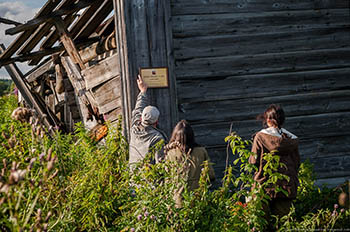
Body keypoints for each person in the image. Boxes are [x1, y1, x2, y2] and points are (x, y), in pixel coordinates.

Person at [249, 104, 300, 226]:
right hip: (286, 186)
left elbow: (253, 161)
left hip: (263, 185)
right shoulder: (291, 139)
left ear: (268, 120)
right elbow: (297, 162)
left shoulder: (260, 137)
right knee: (283, 224)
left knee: (260, 224)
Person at [164, 120, 215, 207]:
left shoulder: (171, 153)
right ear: (191, 136)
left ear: (175, 136)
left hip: (177, 201)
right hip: (198, 200)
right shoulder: (201, 151)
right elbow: (211, 175)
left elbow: (167, 179)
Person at [129, 75, 167, 172]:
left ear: (141, 118)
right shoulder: (157, 138)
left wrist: (143, 91)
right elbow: (160, 163)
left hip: (133, 178)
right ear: (156, 121)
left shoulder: (134, 128)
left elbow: (138, 108)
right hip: (149, 182)